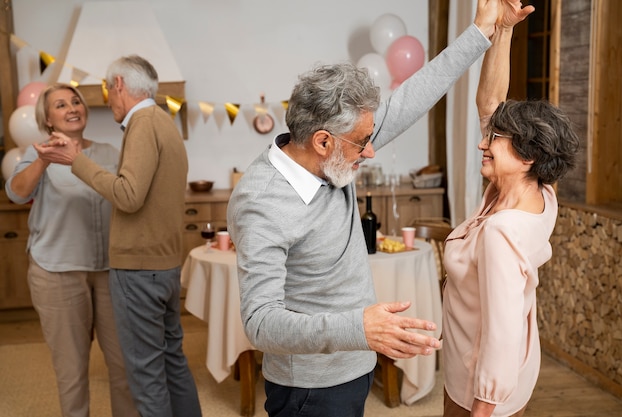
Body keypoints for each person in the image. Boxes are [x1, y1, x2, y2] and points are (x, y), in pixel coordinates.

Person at [226, 2, 532, 416]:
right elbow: (260, 323)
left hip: (355, 365)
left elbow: (415, 95)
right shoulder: (262, 201)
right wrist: (360, 327)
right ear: (322, 141)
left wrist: (482, 30)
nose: (371, 150)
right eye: (363, 142)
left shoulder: (337, 151)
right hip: (309, 389)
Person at [33, 56, 202, 417]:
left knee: (145, 373)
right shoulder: (162, 121)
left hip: (139, 270)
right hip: (164, 266)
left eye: (108, 89)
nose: (108, 98)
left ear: (119, 85)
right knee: (172, 361)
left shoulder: (142, 123)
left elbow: (128, 195)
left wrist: (75, 160)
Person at [441, 5, 580, 417]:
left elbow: (501, 337)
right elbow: (491, 102)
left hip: (478, 386)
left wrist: (483, 410)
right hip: (500, 373)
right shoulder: (538, 192)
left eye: (495, 139)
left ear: (527, 157)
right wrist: (503, 31)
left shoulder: (502, 232)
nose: (484, 143)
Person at [4, 83, 139, 417]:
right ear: (48, 119)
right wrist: (44, 160)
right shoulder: (37, 154)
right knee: (71, 370)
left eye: (75, 101)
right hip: (56, 272)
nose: (71, 108)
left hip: (111, 272)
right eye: (61, 105)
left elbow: (130, 197)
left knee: (124, 365)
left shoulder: (110, 152)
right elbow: (17, 193)